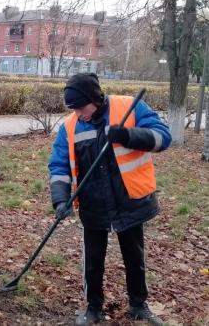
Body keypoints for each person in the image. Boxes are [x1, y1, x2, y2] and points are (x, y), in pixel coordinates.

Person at [48, 73, 171, 326]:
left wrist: (128, 135)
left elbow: (163, 137)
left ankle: (139, 305)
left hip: (130, 199)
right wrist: (61, 200)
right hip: (93, 204)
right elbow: (59, 165)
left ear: (95, 98)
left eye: (82, 107)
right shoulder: (70, 127)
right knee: (93, 262)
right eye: (73, 109)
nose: (79, 113)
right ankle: (93, 308)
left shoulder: (129, 107)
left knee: (134, 258)